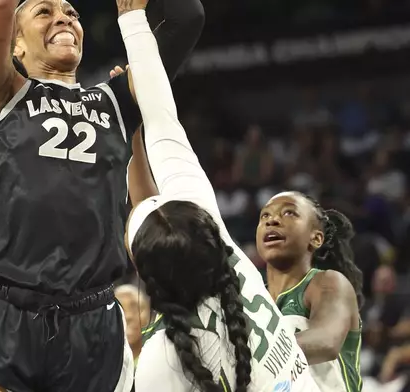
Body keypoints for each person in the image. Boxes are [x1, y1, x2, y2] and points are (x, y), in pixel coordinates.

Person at [0, 0, 206, 391]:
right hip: (5, 310)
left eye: (71, 13)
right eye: (44, 12)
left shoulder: (117, 101)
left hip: (93, 319)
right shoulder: (1, 93)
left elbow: (188, 18)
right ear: (16, 45)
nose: (64, 17)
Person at [115, 9, 320, 391]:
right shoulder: (229, 262)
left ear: (146, 276)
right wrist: (132, 20)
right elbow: (164, 120)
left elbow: (144, 216)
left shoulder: (163, 361)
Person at [256, 192, 363, 392]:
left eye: (289, 213)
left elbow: (326, 342)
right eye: (265, 216)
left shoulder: (328, 283)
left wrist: (251, 354)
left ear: (315, 238)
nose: (273, 221)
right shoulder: (252, 298)